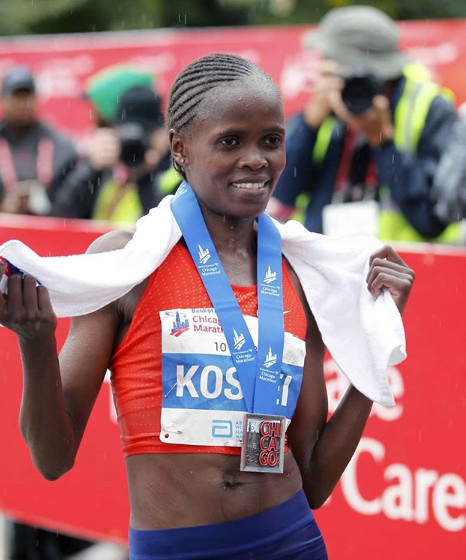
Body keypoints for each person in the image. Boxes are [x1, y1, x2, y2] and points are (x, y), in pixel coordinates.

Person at [0, 53, 415, 560]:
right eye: (230, 141)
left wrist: (376, 335)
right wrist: (35, 342)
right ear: (180, 147)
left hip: (292, 543)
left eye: (271, 140)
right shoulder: (127, 265)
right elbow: (52, 458)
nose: (257, 160)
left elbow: (314, 482)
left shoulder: (298, 273)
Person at [267, 5, 460, 243]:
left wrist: (383, 142)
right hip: (322, 257)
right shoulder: (327, 105)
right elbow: (281, 193)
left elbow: (430, 220)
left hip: (401, 261)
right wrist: (309, 124)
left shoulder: (429, 108)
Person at [52, 85, 179, 223]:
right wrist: (90, 169)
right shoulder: (106, 168)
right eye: (126, 134)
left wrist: (145, 177)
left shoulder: (177, 175)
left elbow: (163, 229)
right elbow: (61, 219)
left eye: (145, 133)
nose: (134, 143)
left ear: (162, 134)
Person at [0, 65, 78, 216]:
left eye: (27, 96)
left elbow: (74, 200)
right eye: (17, 97)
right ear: (4, 99)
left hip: (49, 225)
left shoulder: (60, 145)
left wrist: (45, 203)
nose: (22, 104)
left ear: (36, 99)